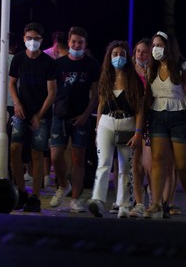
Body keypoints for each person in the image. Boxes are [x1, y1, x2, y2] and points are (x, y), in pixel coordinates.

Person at [145, 31, 186, 219]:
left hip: (180, 117)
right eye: (153, 46)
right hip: (158, 116)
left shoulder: (182, 67)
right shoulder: (151, 68)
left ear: (168, 47)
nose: (155, 49)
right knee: (158, 160)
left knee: (182, 165)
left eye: (159, 45)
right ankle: (156, 203)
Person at [88, 41, 145, 219]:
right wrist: (97, 129)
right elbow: (101, 104)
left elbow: (140, 109)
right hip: (106, 122)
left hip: (127, 123)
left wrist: (138, 132)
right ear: (109, 57)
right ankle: (97, 200)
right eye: (114, 54)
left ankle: (124, 205)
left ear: (127, 56)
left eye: (121, 53)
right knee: (103, 163)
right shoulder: (106, 77)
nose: (118, 57)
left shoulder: (134, 79)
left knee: (125, 167)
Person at [49, 27, 100, 213]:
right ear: (68, 42)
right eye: (74, 42)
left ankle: (76, 199)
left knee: (79, 158)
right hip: (60, 115)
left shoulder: (92, 65)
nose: (76, 45)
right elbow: (52, 91)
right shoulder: (58, 64)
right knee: (55, 156)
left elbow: (95, 94)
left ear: (85, 45)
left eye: (80, 42)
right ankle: (64, 185)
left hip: (82, 116)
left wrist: (86, 115)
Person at [9, 22, 57, 212]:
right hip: (22, 110)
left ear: (41, 40)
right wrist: (17, 103)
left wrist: (39, 115)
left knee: (37, 154)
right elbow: (12, 83)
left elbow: (52, 92)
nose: (32, 42)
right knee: (15, 149)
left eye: (36, 39)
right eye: (29, 38)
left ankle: (35, 196)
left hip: (41, 112)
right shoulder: (19, 59)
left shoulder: (48, 63)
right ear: (23, 39)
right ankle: (21, 192)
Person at [128, 37, 152, 218]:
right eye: (138, 51)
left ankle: (153, 196)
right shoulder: (129, 71)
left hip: (151, 120)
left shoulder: (155, 70)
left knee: (149, 164)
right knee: (135, 163)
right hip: (134, 120)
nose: (141, 54)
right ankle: (139, 202)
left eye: (144, 51)